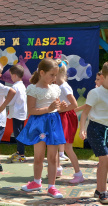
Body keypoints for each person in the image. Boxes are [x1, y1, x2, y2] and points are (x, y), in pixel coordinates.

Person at [17, 58, 66, 198]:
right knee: (38, 157)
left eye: (56, 75)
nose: (54, 78)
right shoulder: (32, 89)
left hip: (53, 123)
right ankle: (36, 182)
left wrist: (60, 108)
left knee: (52, 157)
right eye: (52, 75)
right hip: (39, 124)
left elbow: (55, 108)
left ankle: (52, 187)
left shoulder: (55, 88)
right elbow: (31, 110)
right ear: (42, 73)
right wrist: (49, 108)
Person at [79, 62, 108, 204]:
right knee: (105, 159)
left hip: (107, 130)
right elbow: (85, 113)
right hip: (96, 129)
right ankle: (103, 192)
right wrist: (82, 129)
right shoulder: (95, 93)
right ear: (103, 77)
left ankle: (98, 189)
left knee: (105, 161)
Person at [55, 59, 84, 184]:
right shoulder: (55, 86)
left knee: (67, 147)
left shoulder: (64, 87)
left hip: (66, 117)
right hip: (58, 116)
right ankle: (57, 169)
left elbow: (74, 104)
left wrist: (62, 109)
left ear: (57, 73)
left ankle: (79, 174)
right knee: (54, 145)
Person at [7, 64, 28, 163]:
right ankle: (19, 152)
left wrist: (5, 102)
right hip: (21, 112)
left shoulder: (15, 87)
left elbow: (11, 100)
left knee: (18, 134)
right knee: (19, 132)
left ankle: (21, 155)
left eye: (11, 75)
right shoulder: (22, 85)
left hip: (17, 113)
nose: (11, 77)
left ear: (15, 75)